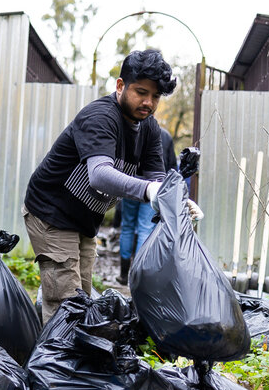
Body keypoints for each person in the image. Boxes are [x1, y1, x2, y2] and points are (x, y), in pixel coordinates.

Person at [24, 49, 202, 324]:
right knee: (65, 305)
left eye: (155, 96)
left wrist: (176, 200)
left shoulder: (149, 127)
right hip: (50, 212)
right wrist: (149, 191)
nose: (148, 102)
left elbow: (156, 176)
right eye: (141, 92)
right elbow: (99, 175)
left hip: (84, 220)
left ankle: (59, 330)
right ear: (120, 86)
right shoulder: (100, 117)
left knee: (81, 296)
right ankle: (52, 347)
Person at [116, 125, 178, 285]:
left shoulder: (131, 131)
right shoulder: (165, 136)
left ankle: (123, 274)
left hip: (130, 184)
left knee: (127, 226)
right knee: (145, 228)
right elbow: (172, 165)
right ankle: (137, 276)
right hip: (153, 187)